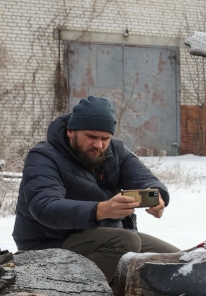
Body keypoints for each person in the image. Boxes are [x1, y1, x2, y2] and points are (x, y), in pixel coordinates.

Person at [12, 96, 180, 281]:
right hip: (49, 243)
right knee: (125, 242)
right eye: (91, 137)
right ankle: (72, 294)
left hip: (107, 236)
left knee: (177, 260)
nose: (98, 145)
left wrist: (156, 196)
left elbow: (143, 178)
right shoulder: (44, 156)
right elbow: (45, 208)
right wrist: (101, 210)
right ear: (70, 132)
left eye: (104, 138)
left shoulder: (115, 150)